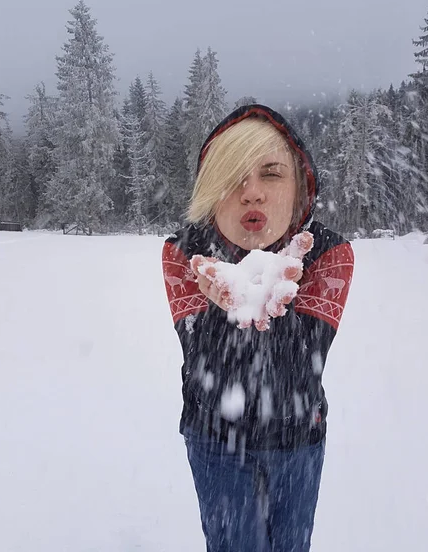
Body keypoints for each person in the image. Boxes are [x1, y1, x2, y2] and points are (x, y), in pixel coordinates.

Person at [162, 104, 354, 552]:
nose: (251, 193)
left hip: (297, 440)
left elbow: (298, 365)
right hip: (214, 439)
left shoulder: (328, 254)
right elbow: (207, 362)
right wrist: (221, 307)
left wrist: (265, 307)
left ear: (299, 189)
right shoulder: (185, 254)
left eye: (271, 173)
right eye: (232, 177)